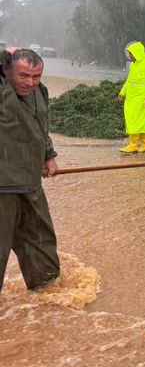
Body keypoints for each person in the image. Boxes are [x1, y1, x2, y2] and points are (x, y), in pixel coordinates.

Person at [0, 48, 61, 292]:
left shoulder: (40, 92)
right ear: (7, 70)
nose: (30, 83)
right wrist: (5, 53)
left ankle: (44, 308)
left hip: (31, 185)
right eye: (23, 75)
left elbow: (41, 126)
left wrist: (49, 156)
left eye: (36, 76)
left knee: (42, 251)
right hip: (2, 188)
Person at [118, 41, 145, 153]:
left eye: (131, 54)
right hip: (132, 99)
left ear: (137, 53)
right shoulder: (133, 65)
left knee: (138, 122)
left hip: (143, 100)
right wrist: (123, 92)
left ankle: (133, 145)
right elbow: (129, 81)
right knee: (138, 121)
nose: (130, 56)